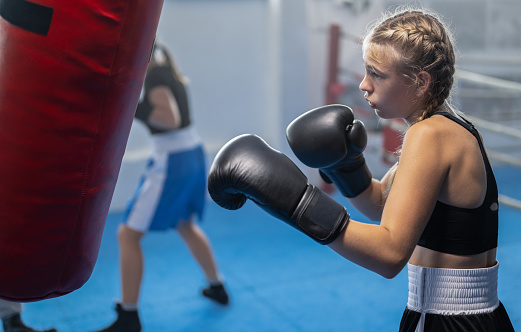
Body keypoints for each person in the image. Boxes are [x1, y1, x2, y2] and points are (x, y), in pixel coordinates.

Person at [207, 7, 515, 332]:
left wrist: (294, 202)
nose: (365, 85)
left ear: (421, 81)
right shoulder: (452, 128)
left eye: (378, 74)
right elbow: (383, 204)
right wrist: (345, 167)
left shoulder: (431, 136)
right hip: (467, 315)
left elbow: (389, 253)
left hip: (450, 320)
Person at [95, 42, 229, 332]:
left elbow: (169, 119)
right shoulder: (165, 70)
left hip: (173, 160)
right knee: (185, 224)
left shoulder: (155, 76)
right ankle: (217, 286)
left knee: (127, 235)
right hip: (191, 152)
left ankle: (128, 316)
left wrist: (131, 104)